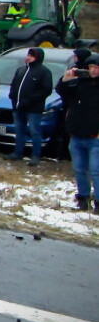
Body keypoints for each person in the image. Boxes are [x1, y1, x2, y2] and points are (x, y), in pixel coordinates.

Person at [55, 54, 99, 211]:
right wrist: (65, 79)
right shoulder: (79, 84)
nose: (93, 70)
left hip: (95, 137)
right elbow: (62, 92)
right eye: (91, 67)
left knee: (96, 170)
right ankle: (83, 198)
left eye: (97, 67)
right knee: (79, 169)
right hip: (76, 135)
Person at [3, 48, 53, 166]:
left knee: (34, 131)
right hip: (18, 107)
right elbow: (14, 85)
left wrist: (30, 99)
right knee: (19, 130)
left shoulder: (44, 71)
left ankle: (35, 155)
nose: (28, 57)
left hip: (34, 109)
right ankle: (18, 152)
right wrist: (12, 96)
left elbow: (46, 90)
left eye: (32, 56)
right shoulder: (21, 70)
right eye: (28, 55)